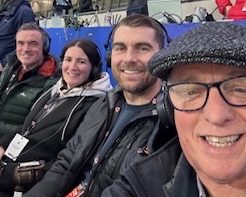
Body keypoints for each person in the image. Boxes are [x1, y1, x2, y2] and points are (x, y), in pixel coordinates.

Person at [24, 14, 176, 197]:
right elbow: (66, 162)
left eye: (142, 48)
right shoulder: (103, 105)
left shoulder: (172, 121)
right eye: (120, 48)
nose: (129, 58)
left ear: (162, 56)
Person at [101, 21, 246, 197]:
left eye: (240, 90)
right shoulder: (138, 185)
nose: (216, 115)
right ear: (168, 108)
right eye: (191, 91)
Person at [0, 38, 112, 197]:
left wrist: (12, 173)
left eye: (81, 61)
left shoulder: (95, 106)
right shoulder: (55, 90)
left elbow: (69, 160)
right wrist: (3, 145)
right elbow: (28, 128)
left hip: (29, 182)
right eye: (68, 60)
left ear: (94, 68)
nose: (72, 67)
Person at [0, 22, 59, 140]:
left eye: (33, 44)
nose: (25, 49)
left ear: (44, 48)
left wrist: (4, 143)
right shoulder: (10, 69)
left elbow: (35, 128)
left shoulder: (52, 81)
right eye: (20, 43)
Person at [0, 0, 35, 66]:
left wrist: (3, 63)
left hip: (7, 68)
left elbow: (28, 45)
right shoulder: (4, 10)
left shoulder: (24, 12)